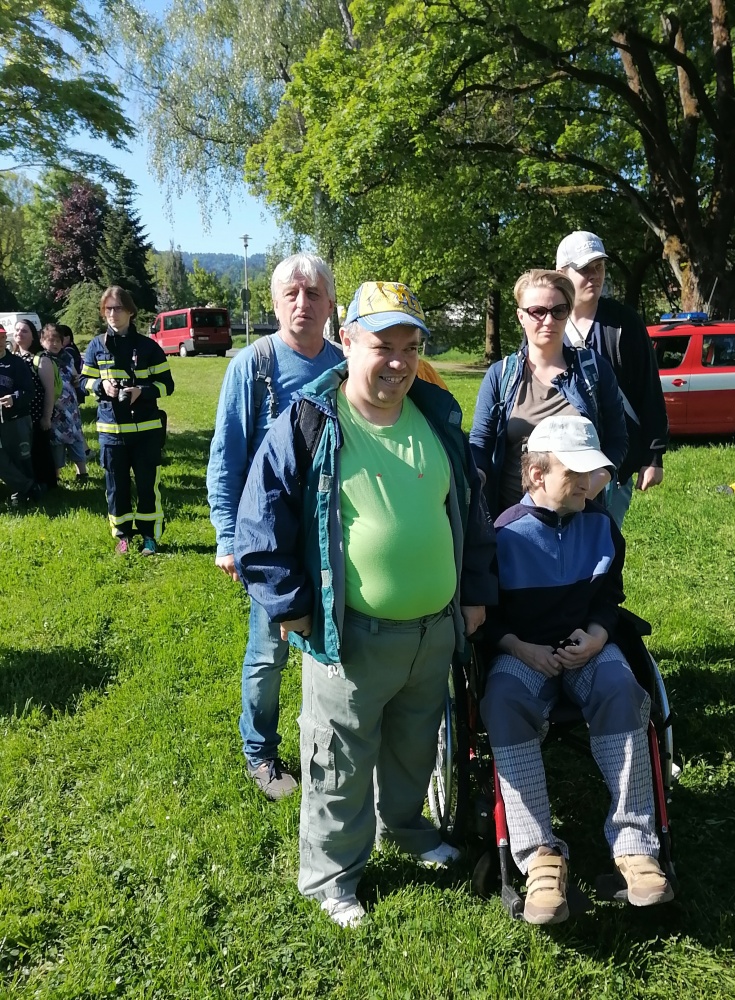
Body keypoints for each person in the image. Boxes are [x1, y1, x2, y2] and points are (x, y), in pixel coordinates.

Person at [235, 280, 497, 927]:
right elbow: (260, 526)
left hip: (432, 633)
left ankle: (405, 829)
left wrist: (474, 594)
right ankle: (332, 876)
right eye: (384, 345)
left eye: (410, 347)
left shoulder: (436, 418)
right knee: (339, 760)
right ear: (347, 340)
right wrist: (291, 607)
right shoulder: (309, 421)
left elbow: (470, 512)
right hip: (351, 636)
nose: (399, 362)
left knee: (414, 746)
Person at [480, 414, 674, 926]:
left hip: (586, 648)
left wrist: (598, 636)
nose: (589, 483)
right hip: (523, 652)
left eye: (593, 472)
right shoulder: (502, 535)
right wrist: (520, 648)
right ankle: (540, 856)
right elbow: (487, 615)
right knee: (502, 702)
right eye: (575, 473)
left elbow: (609, 598)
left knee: (623, 688)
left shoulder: (602, 526)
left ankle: (636, 847)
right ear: (536, 474)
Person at [207, 253, 344, 801]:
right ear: (275, 303)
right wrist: (227, 538)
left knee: (335, 649)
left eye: (313, 294)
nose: (302, 303)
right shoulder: (254, 365)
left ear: (330, 304)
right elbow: (226, 458)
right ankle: (260, 751)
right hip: (271, 542)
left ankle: (332, 743)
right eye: (291, 294)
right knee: (268, 654)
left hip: (335, 538)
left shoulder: (346, 364)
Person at [469, 268, 627, 517]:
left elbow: (618, 440)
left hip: (581, 518)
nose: (549, 320)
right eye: (537, 311)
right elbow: (480, 443)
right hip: (514, 522)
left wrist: (591, 487)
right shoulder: (500, 376)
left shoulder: (593, 371)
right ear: (521, 316)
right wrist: (474, 479)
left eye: (558, 310)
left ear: (568, 312)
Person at [556, 231, 669, 526]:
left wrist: (653, 457)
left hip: (613, 464)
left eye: (599, 267)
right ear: (562, 273)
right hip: (560, 461)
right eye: (585, 268)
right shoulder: (547, 320)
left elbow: (648, 390)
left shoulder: (624, 323)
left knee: (602, 542)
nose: (594, 275)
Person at [80, 286, 174, 554]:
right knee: (116, 487)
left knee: (147, 486)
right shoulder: (96, 346)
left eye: (118, 308)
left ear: (130, 312)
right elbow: (82, 382)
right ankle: (123, 535)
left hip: (146, 431)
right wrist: (101, 386)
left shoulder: (148, 347)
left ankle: (149, 536)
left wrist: (141, 391)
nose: (112, 313)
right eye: (108, 309)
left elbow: (167, 385)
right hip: (111, 432)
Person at [10, 318, 58, 492]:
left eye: (24, 331)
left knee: (40, 450)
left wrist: (46, 417)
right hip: (19, 415)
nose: (19, 334)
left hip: (37, 415)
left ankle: (47, 486)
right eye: (17, 330)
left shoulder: (41, 359)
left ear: (33, 336)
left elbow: (49, 391)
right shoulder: (14, 357)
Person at [39, 323, 90, 483]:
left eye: (58, 341)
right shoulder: (44, 360)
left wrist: (77, 381)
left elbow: (75, 375)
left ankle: (82, 473)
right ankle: (56, 475)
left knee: (76, 438)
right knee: (56, 443)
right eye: (50, 340)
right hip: (55, 408)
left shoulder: (67, 357)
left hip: (71, 408)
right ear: (42, 341)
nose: (54, 344)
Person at [0, 331, 38, 504]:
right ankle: (27, 487)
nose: (0, 341)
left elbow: (29, 391)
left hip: (14, 417)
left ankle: (24, 493)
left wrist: (14, 398)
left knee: (20, 457)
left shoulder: (16, 363)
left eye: (2, 337)